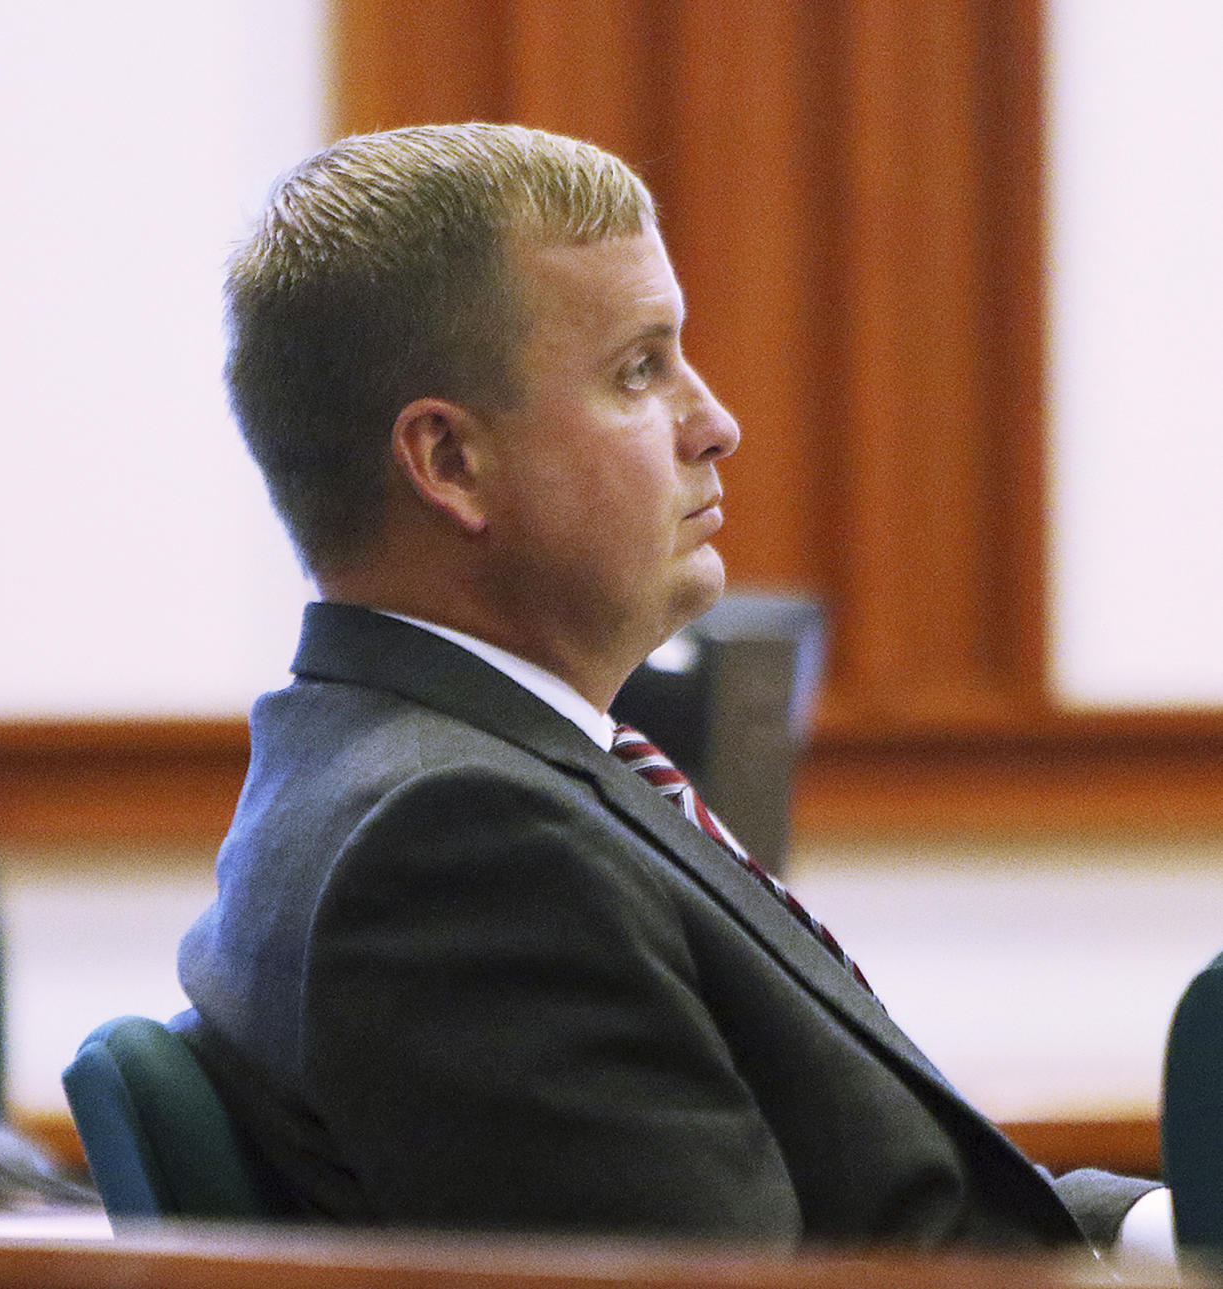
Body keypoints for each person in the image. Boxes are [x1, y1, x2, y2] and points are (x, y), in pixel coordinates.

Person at [177, 123, 1162, 1252]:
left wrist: (1150, 1229)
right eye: (639, 369)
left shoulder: (436, 769)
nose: (716, 422)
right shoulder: (462, 845)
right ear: (450, 463)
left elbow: (884, 1186)